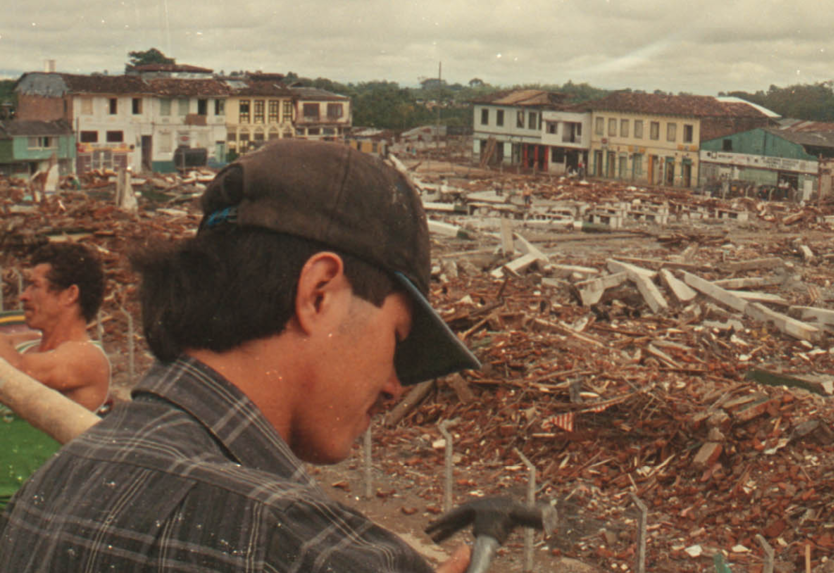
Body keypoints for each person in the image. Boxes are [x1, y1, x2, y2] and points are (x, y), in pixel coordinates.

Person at [0, 140, 481, 572]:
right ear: (319, 294)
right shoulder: (303, 549)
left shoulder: (47, 489)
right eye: (397, 337)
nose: (395, 386)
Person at [0, 243, 109, 508]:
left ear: (70, 295)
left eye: (34, 286)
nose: (23, 296)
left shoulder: (87, 357)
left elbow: (19, 373)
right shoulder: (22, 345)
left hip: (37, 510)